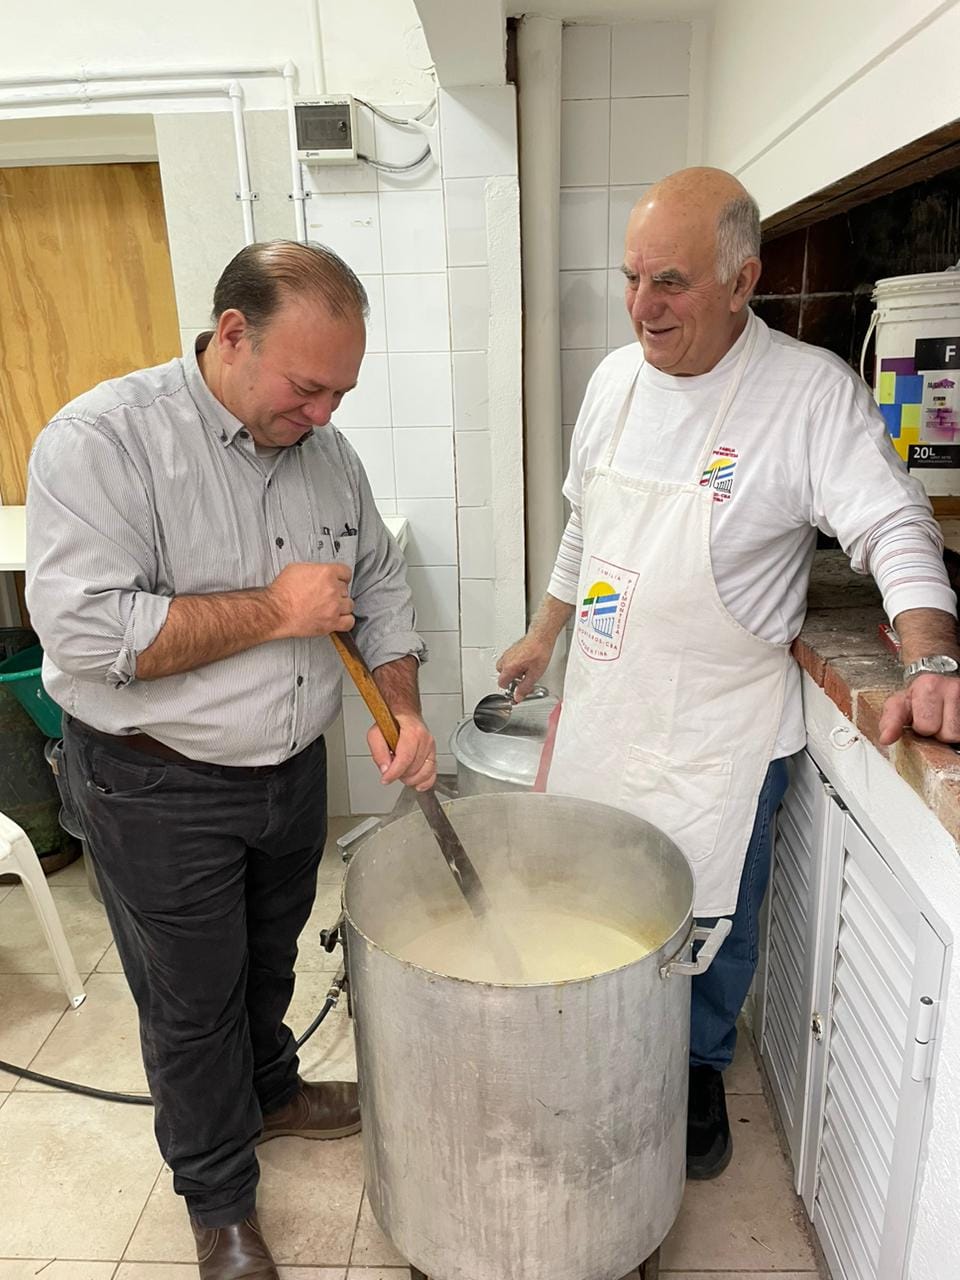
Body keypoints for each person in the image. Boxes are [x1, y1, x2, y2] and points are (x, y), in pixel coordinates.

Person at [498, 167, 960, 1181]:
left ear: (743, 279)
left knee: (713, 919)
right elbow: (586, 525)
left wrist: (930, 653)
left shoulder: (806, 393)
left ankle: (698, 1069)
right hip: (609, 708)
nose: (642, 306)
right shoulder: (613, 382)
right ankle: (605, 1044)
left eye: (669, 282)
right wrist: (543, 633)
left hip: (720, 731)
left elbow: (895, 523)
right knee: (596, 898)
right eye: (630, 278)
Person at [25, 240, 436, 1278]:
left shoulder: (328, 454)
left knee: (269, 957)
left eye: (341, 392)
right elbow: (87, 634)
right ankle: (218, 1199)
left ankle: (273, 1088)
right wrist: (276, 609)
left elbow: (378, 586)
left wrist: (401, 706)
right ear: (234, 334)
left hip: (289, 772)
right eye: (308, 387)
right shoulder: (103, 442)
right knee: (192, 1000)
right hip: (155, 781)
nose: (326, 414)